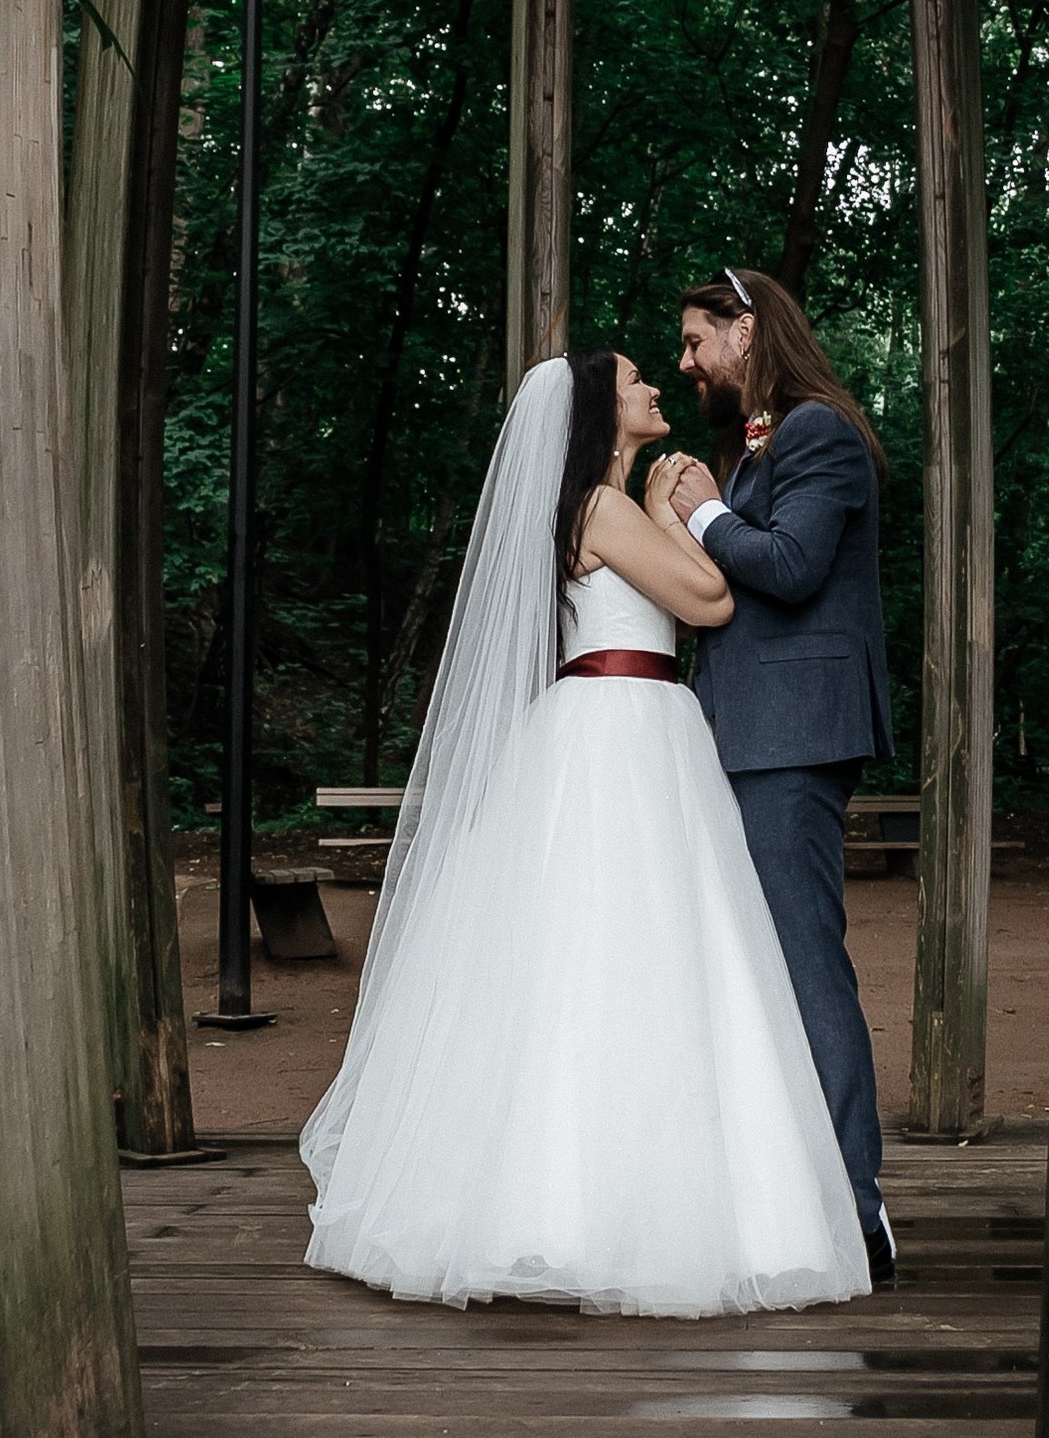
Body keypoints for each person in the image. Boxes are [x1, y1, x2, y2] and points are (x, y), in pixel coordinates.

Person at [299, 348, 870, 1317]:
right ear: (605, 410)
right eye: (640, 380)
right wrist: (681, 512)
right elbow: (710, 599)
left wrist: (673, 517)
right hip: (621, 730)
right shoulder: (604, 510)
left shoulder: (597, 511)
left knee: (614, 958)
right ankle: (593, 1206)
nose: (655, 388)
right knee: (626, 952)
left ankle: (594, 1189)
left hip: (627, 722)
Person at [665, 267, 897, 1283]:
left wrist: (710, 516)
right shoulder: (765, 441)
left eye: (694, 341)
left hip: (792, 741)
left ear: (746, 330)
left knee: (805, 967)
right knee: (761, 970)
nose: (686, 364)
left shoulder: (819, 432)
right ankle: (785, 1195)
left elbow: (795, 567)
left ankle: (856, 1213)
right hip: (749, 734)